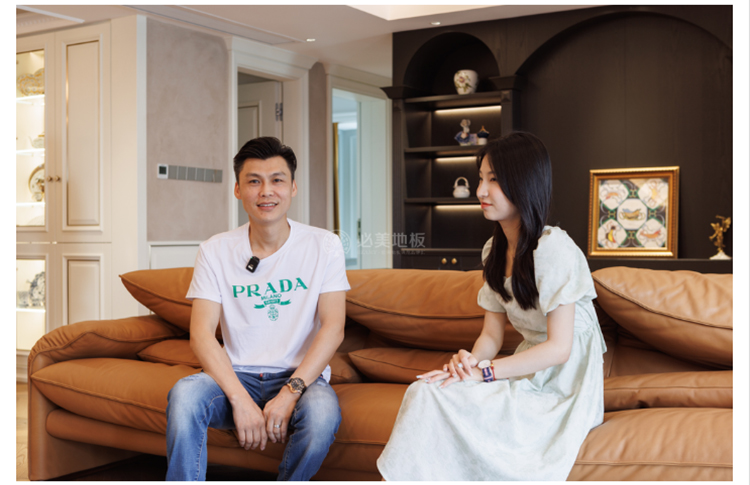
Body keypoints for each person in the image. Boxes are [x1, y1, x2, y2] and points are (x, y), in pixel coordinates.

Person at [376, 132, 607, 481]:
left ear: (525, 183)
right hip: (525, 367)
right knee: (427, 390)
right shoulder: (493, 251)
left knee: (449, 398)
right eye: (481, 178)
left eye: (494, 180)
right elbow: (491, 336)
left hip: (565, 383)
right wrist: (468, 363)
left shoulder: (554, 249)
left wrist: (485, 373)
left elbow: (560, 349)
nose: (481, 191)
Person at [165, 137, 350, 481]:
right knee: (186, 395)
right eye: (254, 181)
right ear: (238, 190)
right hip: (236, 375)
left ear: (293, 188)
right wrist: (239, 399)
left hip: (300, 378)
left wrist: (289, 394)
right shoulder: (214, 250)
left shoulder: (324, 245)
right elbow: (201, 334)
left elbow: (333, 328)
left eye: (277, 180)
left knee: (322, 416)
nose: (266, 191)